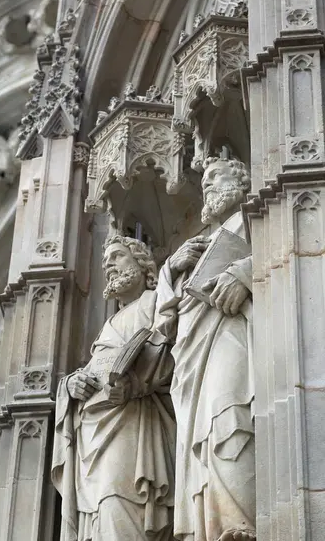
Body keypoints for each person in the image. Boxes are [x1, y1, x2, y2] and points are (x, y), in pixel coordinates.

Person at [52, 235, 181, 541]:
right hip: (95, 436)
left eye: (118, 256)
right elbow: (97, 366)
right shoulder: (110, 323)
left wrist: (133, 382)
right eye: (106, 259)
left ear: (143, 265)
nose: (108, 264)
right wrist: (71, 384)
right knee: (102, 511)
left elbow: (173, 347)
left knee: (117, 501)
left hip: (134, 427)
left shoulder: (155, 301)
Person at [157, 156, 255, 541]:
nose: (209, 186)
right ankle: (215, 524)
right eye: (205, 181)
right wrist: (171, 269)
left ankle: (241, 522)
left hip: (235, 333)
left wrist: (243, 274)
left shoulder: (259, 214)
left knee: (229, 414)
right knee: (206, 435)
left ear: (242, 181)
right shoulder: (197, 246)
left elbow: (300, 248)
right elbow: (163, 324)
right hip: (192, 353)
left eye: (217, 177)